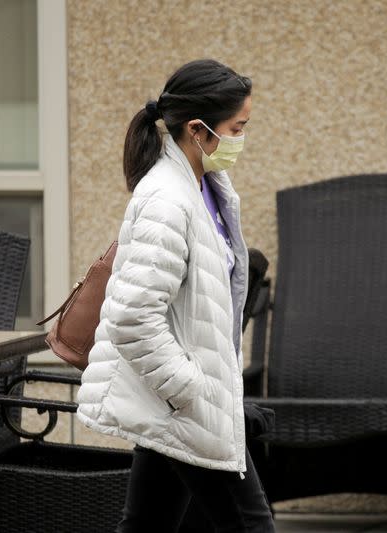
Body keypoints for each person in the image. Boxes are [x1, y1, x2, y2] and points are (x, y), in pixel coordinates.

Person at [75, 59, 276, 532]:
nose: (241, 139)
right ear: (198, 130)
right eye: (237, 127)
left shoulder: (205, 186)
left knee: (147, 525)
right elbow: (130, 317)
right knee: (252, 525)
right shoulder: (167, 200)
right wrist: (191, 390)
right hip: (188, 402)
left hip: (181, 400)